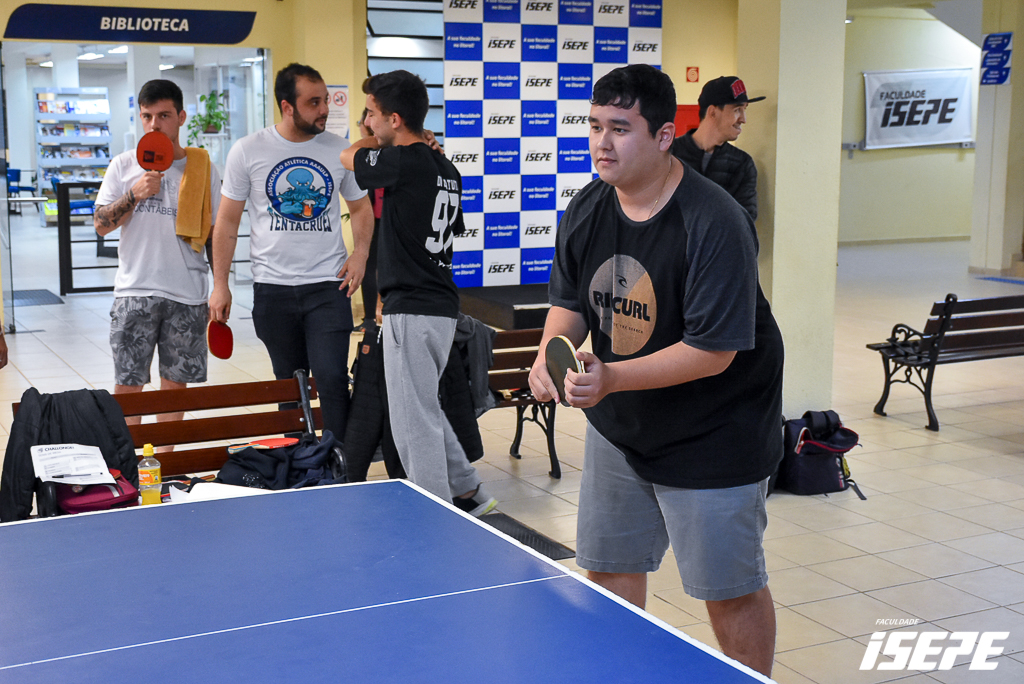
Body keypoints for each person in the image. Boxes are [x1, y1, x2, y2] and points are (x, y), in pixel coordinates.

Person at [528, 65, 783, 678]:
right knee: (610, 569)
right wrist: (546, 354)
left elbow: (713, 352)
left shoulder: (715, 221)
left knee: (728, 591)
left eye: (620, 128)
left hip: (715, 432)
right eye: (595, 126)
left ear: (665, 136)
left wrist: (611, 378)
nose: (602, 143)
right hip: (622, 426)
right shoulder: (587, 206)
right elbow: (570, 303)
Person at [339, 70, 495, 516]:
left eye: (371, 114)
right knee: (422, 406)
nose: (366, 122)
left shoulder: (402, 160)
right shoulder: (445, 167)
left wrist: (375, 139)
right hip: (440, 307)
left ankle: (437, 515)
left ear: (394, 118)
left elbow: (349, 156)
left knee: (412, 425)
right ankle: (467, 490)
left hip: (411, 307)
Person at [209, 63, 374, 441]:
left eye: (325, 100)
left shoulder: (340, 151)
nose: (324, 109)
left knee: (331, 378)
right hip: (273, 289)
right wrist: (220, 284)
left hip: (328, 286)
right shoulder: (247, 150)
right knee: (288, 384)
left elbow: (361, 207)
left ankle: (341, 463)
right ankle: (297, 458)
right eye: (313, 102)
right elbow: (227, 222)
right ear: (287, 106)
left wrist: (361, 253)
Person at [95, 79, 221, 433]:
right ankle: (129, 457)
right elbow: (101, 225)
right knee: (128, 384)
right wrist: (134, 195)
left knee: (175, 386)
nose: (154, 124)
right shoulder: (123, 165)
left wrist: (221, 286)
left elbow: (214, 234)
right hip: (135, 290)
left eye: (163, 115)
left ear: (181, 117)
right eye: (147, 116)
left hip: (188, 292)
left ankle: (166, 457)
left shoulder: (202, 168)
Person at [671, 75, 764, 220]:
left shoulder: (743, 164)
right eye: (737, 109)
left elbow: (745, 220)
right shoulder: (668, 154)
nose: (743, 119)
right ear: (712, 112)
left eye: (744, 109)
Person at [355, 110, 382, 329]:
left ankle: (371, 319)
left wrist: (368, 137)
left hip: (380, 219)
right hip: (376, 217)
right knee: (371, 267)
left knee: (371, 267)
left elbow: (347, 154)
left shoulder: (374, 152)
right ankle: (370, 319)